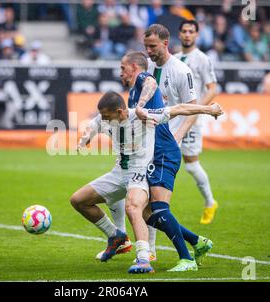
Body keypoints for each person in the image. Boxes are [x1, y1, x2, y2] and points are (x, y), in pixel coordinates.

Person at [100, 25, 215, 267]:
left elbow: (187, 107)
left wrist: (180, 133)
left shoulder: (181, 71)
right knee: (146, 209)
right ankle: (184, 244)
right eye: (146, 47)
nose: (149, 51)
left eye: (153, 46)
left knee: (158, 207)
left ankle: (182, 255)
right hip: (149, 143)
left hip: (167, 142)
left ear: (166, 43)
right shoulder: (146, 69)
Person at [72, 89, 222, 273]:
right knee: (79, 200)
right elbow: (92, 126)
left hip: (141, 171)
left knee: (134, 208)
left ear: (120, 112)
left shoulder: (142, 116)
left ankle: (143, 259)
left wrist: (209, 109)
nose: (102, 119)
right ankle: (115, 235)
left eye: (105, 115)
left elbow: (180, 108)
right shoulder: (104, 119)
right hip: (119, 172)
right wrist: (84, 139)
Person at [175, 20, 219, 224]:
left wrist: (198, 108)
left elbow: (212, 88)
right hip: (173, 116)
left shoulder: (202, 59)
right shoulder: (174, 58)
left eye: (191, 31)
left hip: (191, 117)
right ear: (179, 34)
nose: (187, 35)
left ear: (196, 35)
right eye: (184, 31)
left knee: (191, 166)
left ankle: (210, 202)